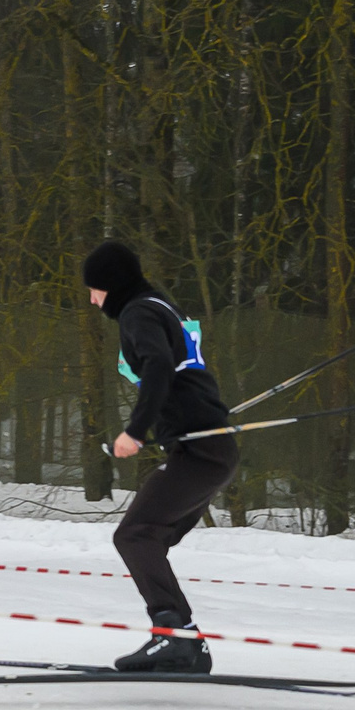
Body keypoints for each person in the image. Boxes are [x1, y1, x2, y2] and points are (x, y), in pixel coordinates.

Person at [82, 240, 237, 674]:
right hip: (210, 447)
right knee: (148, 539)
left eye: (94, 289)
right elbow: (182, 374)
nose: (92, 300)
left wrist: (135, 431)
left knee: (135, 536)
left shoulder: (138, 312)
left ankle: (176, 638)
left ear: (112, 285)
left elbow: (158, 366)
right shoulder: (161, 305)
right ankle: (181, 642)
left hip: (199, 452)